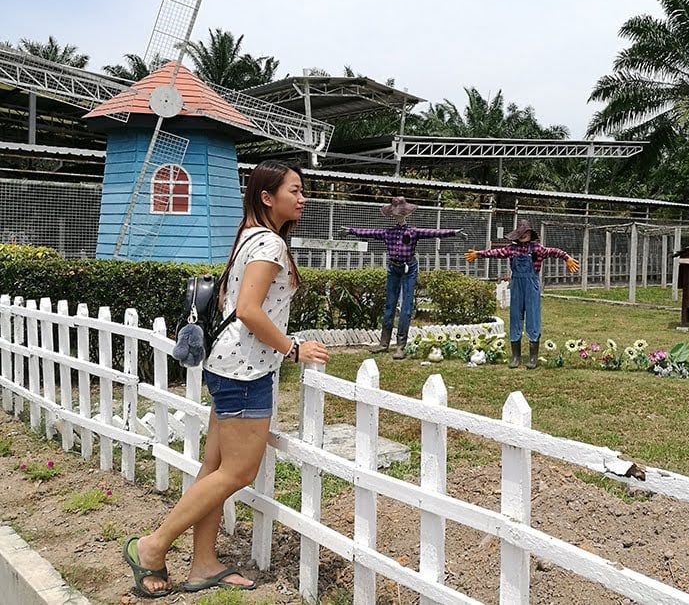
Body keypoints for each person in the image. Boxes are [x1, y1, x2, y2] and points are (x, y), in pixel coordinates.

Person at [122, 161, 329, 597]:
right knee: (237, 472)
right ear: (267, 197)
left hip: (229, 364)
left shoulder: (249, 236)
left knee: (214, 468)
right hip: (246, 370)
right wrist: (293, 348)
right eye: (294, 190)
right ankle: (152, 546)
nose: (302, 197)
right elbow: (251, 310)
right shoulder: (269, 244)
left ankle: (202, 564)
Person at [346, 196, 463, 359]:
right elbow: (370, 232)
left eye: (400, 213)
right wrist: (351, 231)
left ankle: (401, 345)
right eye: (395, 213)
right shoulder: (389, 233)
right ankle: (384, 343)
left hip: (409, 268)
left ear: (406, 213)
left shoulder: (413, 232)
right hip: (393, 268)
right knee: (389, 305)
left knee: (406, 307)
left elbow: (432, 233)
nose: (398, 216)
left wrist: (453, 232)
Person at [464, 219, 579, 369]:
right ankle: (516, 356)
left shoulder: (537, 248)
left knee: (533, 317)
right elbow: (495, 253)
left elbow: (553, 251)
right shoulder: (512, 249)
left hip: (531, 286)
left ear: (531, 234)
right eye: (521, 232)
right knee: (515, 317)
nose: (524, 235)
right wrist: (479, 254)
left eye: (527, 232)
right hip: (516, 285)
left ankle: (533, 357)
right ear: (517, 235)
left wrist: (566, 257)